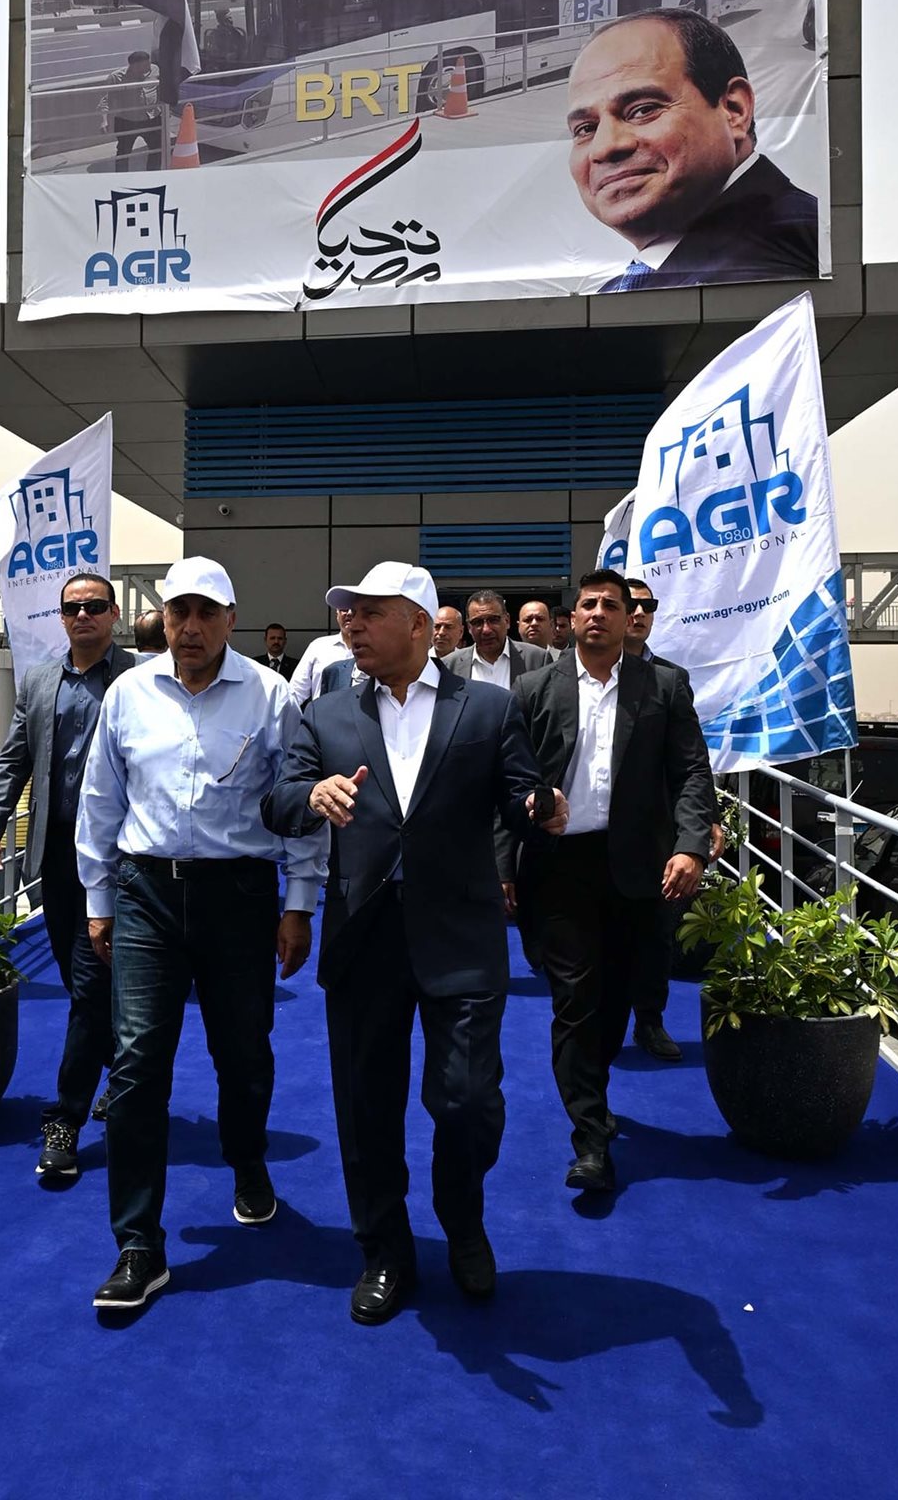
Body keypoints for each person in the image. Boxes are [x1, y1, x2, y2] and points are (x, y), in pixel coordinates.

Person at [265, 562, 563, 1324]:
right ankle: (385, 1251)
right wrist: (311, 796)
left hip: (460, 936)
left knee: (466, 1101)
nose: (351, 624)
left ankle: (461, 1218)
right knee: (367, 1109)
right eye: (347, 613)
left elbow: (520, 799)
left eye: (370, 612)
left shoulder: (488, 708)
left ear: (422, 625)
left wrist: (543, 809)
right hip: (364, 939)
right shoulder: (326, 713)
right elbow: (278, 800)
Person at [76, 556, 327, 1313]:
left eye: (206, 613)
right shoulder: (128, 693)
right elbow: (101, 798)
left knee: (243, 1054)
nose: (190, 627)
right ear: (163, 618)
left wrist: (299, 902)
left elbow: (300, 803)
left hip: (239, 897)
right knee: (136, 1065)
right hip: (147, 896)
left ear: (230, 619)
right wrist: (98, 897)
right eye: (178, 612)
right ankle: (137, 1244)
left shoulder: (271, 696)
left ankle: (247, 1160)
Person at [512, 569, 715, 1192]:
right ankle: (591, 1138)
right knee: (575, 1001)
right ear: (572, 618)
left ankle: (591, 1090)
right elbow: (509, 779)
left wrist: (690, 846)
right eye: (588, 604)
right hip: (560, 867)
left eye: (610, 604)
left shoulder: (664, 686)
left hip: (638, 867)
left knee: (617, 997)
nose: (598, 613)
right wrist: (511, 844)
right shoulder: (534, 689)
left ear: (630, 619)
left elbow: (691, 773)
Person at [0, 573, 135, 1180]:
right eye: (73, 607)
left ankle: (65, 1119)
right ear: (61, 617)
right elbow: (13, 760)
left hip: (118, 858)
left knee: (90, 988)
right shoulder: (40, 681)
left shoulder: (138, 679)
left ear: (114, 614)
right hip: (57, 855)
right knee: (78, 980)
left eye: (95, 606)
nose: (83, 615)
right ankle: (124, 1075)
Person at [566, 9, 819, 291]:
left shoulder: (788, 254)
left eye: (643, 110)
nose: (605, 147)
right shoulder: (628, 288)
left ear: (734, 110)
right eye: (585, 129)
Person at [622, 577, 725, 1062]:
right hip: (593, 832)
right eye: (631, 605)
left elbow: (691, 761)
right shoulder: (575, 676)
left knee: (655, 933)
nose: (639, 614)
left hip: (656, 831)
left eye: (648, 606)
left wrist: (705, 822)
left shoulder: (671, 678)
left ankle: (650, 1020)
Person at [444, 589, 549, 689]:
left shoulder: (537, 659)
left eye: (493, 620)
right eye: (477, 622)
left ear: (507, 621)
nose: (486, 630)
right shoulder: (449, 666)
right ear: (469, 628)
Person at [98, 50, 162, 172]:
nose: (149, 68)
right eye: (145, 66)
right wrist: (104, 120)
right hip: (127, 121)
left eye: (149, 64)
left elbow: (160, 89)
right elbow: (106, 100)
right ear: (133, 66)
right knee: (123, 152)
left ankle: (153, 175)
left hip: (151, 118)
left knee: (157, 149)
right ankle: (123, 178)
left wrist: (163, 108)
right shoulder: (116, 77)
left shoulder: (155, 70)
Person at [289, 608, 354, 704]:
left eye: (353, 609)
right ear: (337, 614)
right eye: (343, 609)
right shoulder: (318, 646)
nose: (349, 613)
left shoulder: (372, 649)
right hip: (322, 712)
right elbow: (296, 692)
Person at [204, 6, 247, 71]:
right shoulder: (214, 35)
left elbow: (244, 49)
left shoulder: (237, 33)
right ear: (220, 20)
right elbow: (211, 53)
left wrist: (238, 54)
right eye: (227, 18)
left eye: (230, 18)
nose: (230, 20)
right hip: (220, 67)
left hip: (237, 65)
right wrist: (225, 56)